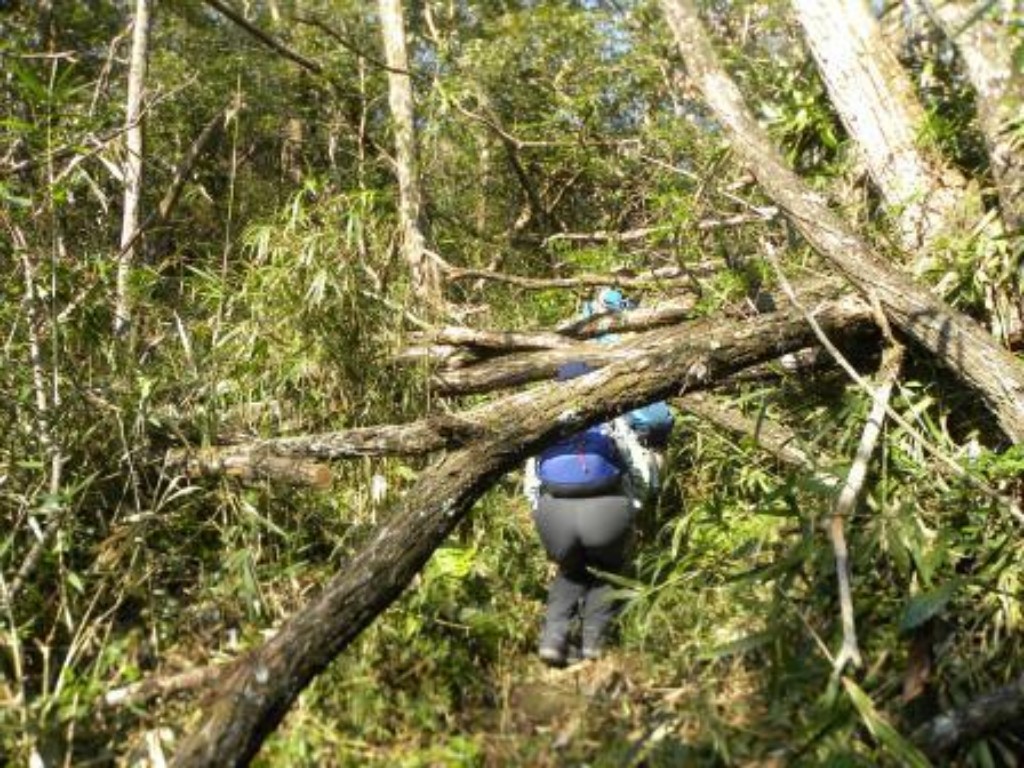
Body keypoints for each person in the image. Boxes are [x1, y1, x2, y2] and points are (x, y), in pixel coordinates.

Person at [523, 362, 656, 666]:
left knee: (570, 571)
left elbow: (531, 480)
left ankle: (553, 641)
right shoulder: (609, 419)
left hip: (554, 512)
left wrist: (539, 510)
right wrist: (635, 503)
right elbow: (637, 466)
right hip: (606, 510)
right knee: (607, 571)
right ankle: (594, 646)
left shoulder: (541, 421)